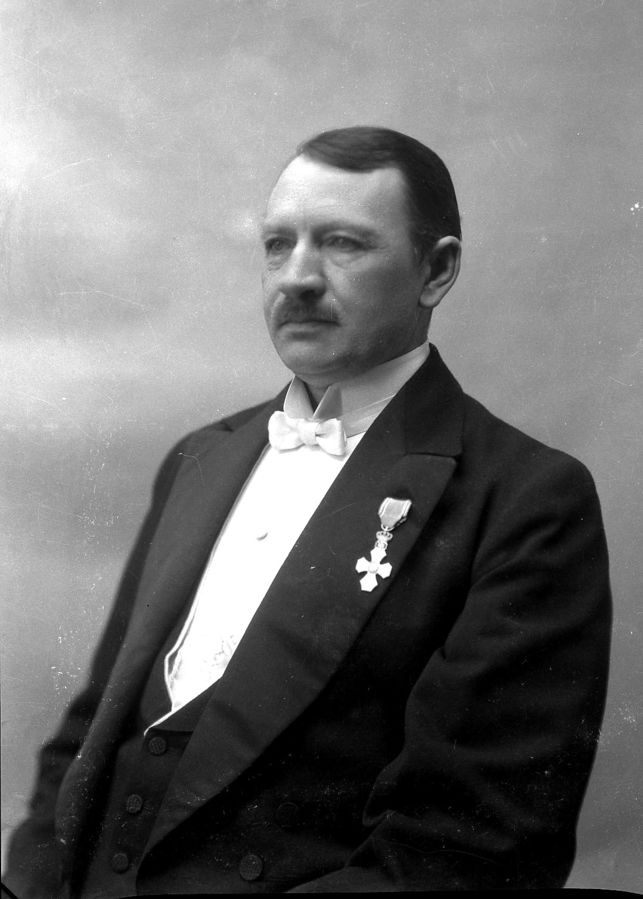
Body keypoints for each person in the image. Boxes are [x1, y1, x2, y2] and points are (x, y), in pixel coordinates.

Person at [5, 126, 611, 896]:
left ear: (435, 270)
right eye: (276, 245)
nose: (296, 277)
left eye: (342, 243)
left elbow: (467, 850)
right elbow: (90, 729)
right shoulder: (201, 456)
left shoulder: (524, 498)